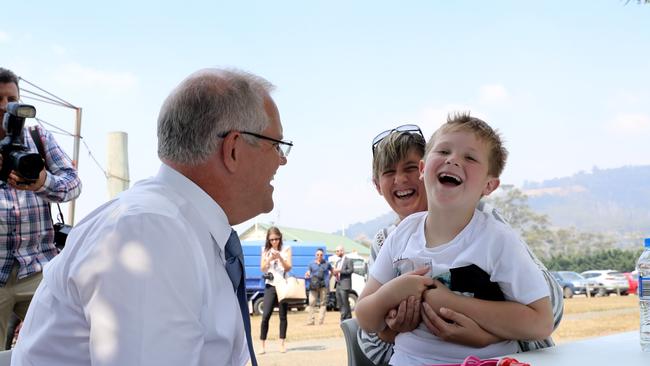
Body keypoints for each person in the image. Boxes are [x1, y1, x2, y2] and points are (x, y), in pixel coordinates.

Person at [11, 68, 291, 366]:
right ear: (233, 148)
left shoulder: (173, 224)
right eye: (276, 145)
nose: (282, 160)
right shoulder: (152, 233)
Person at [356, 114, 554, 365]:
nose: (453, 160)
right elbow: (365, 321)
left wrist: (456, 307)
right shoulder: (398, 236)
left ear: (489, 185)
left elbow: (544, 318)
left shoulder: (496, 236)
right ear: (424, 168)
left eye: (469, 157)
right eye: (444, 151)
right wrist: (393, 298)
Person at [0, 67, 82, 351]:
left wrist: (42, 182)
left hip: (38, 269)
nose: (5, 107)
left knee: (56, 349)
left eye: (11, 99)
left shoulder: (37, 136)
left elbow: (73, 184)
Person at [259, 226, 292, 354]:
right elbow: (262, 268)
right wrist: (269, 259)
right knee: (265, 315)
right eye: (271, 239)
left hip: (282, 284)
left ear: (280, 238)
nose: (274, 242)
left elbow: (288, 268)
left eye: (276, 239)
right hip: (270, 285)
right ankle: (262, 345)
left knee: (283, 315)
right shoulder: (265, 250)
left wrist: (280, 258)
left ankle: (282, 343)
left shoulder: (286, 249)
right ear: (268, 239)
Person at [304, 248, 331, 325]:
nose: (319, 256)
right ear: (315, 255)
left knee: (323, 303)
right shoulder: (311, 264)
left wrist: (328, 279)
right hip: (313, 285)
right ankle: (311, 321)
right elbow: (308, 271)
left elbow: (332, 271)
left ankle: (320, 321)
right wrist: (307, 274)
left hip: (323, 286)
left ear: (323, 255)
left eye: (321, 255)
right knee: (311, 302)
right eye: (318, 254)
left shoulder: (327, 263)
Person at [332, 245, 354, 322]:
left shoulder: (348, 260)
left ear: (342, 251)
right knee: (339, 302)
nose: (336, 253)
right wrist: (334, 272)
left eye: (338, 251)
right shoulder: (338, 261)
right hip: (338, 284)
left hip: (345, 284)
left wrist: (339, 271)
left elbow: (350, 270)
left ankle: (347, 318)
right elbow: (336, 272)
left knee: (345, 302)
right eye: (336, 251)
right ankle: (343, 316)